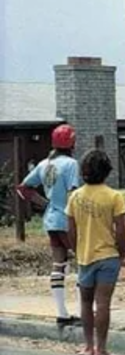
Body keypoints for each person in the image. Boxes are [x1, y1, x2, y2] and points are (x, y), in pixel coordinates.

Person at [15, 124, 82, 327]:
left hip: (51, 219)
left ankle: (61, 313)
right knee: (82, 264)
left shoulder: (45, 164)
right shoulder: (71, 164)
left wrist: (44, 203)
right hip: (67, 219)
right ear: (71, 142)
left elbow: (23, 188)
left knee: (58, 265)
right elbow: (73, 193)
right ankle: (82, 311)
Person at [66, 149, 125, 355]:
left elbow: (71, 230)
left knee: (85, 302)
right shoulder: (114, 196)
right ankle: (101, 349)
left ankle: (87, 346)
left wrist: (76, 250)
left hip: (85, 256)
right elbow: (121, 229)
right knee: (103, 303)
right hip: (108, 256)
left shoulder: (75, 197)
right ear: (107, 172)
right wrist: (121, 253)